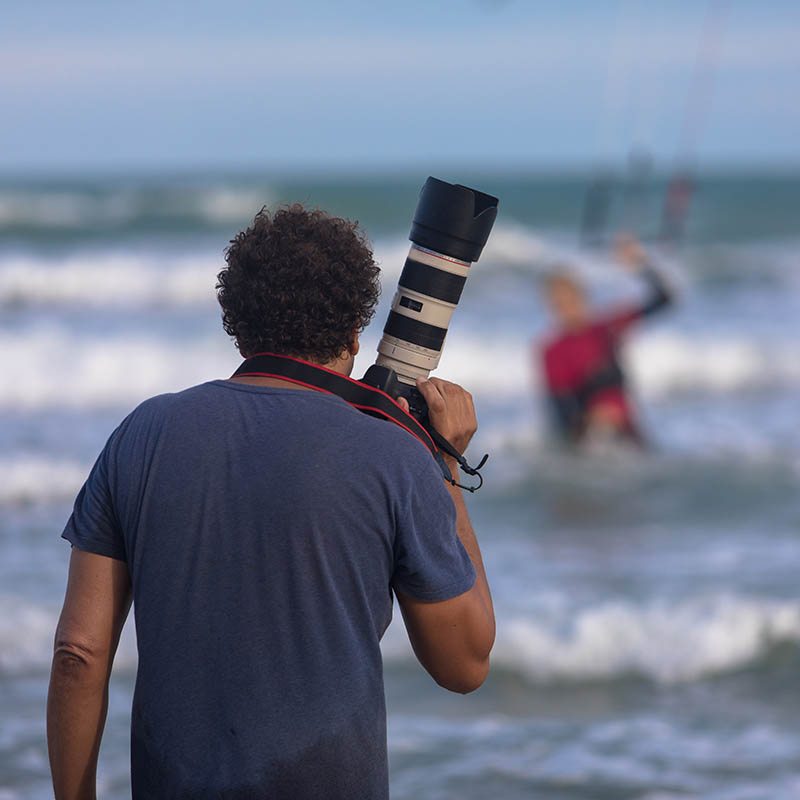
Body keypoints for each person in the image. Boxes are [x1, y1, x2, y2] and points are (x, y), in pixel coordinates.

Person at [47, 205, 495, 799]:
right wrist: (443, 468)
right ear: (356, 331)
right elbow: (464, 665)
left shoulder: (144, 434)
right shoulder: (393, 454)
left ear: (237, 321)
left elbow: (78, 654)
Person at [539, 233, 673, 444]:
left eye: (570, 299)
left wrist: (641, 264)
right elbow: (561, 412)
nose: (566, 309)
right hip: (592, 442)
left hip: (630, 435)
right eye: (559, 304)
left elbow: (664, 299)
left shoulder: (607, 327)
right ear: (551, 307)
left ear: (582, 296)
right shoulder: (552, 351)